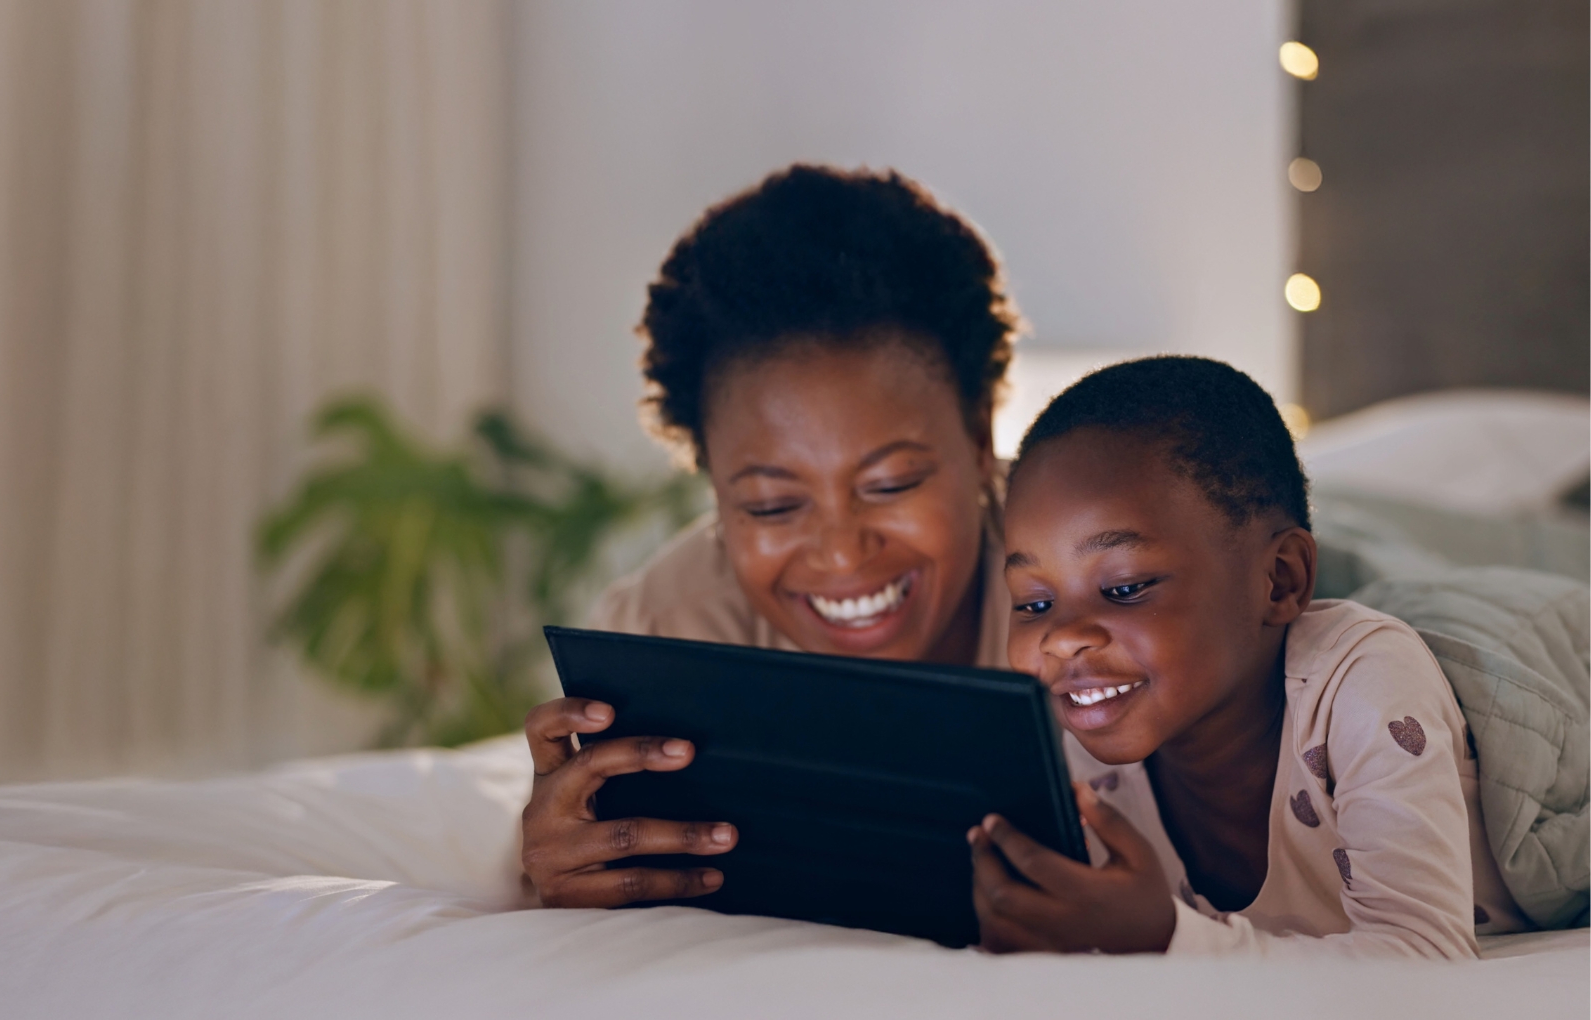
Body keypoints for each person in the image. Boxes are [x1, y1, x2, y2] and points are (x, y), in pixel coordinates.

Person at [520, 164, 1024, 907]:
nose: (843, 553)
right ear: (713, 486)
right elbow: (563, 884)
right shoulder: (669, 630)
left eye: (890, 486)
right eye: (770, 506)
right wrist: (560, 873)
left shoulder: (1102, 581)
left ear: (981, 434)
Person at [962, 356, 1528, 956]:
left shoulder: (1363, 684)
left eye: (1125, 588)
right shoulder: (1080, 764)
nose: (1061, 638)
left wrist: (1167, 938)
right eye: (1034, 602)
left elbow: (1426, 961)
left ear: (1279, 581)